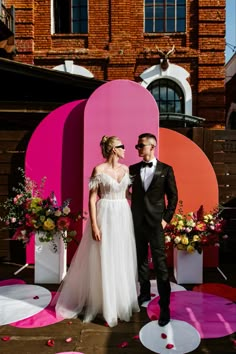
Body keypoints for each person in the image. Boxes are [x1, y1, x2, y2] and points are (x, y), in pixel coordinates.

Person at [54, 135, 140, 327]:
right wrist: (94, 225)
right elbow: (92, 199)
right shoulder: (98, 170)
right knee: (104, 256)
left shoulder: (126, 169)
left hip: (123, 215)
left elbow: (128, 194)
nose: (126, 149)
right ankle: (105, 304)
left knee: (121, 256)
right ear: (113, 149)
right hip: (105, 215)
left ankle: (121, 301)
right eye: (122, 146)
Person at [129, 133, 178, 327]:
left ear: (151, 146)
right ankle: (143, 293)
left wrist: (166, 220)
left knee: (160, 265)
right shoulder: (132, 169)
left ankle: (165, 307)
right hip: (137, 222)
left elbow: (173, 197)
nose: (138, 148)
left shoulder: (166, 170)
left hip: (157, 223)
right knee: (140, 260)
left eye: (140, 145)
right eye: (138, 145)